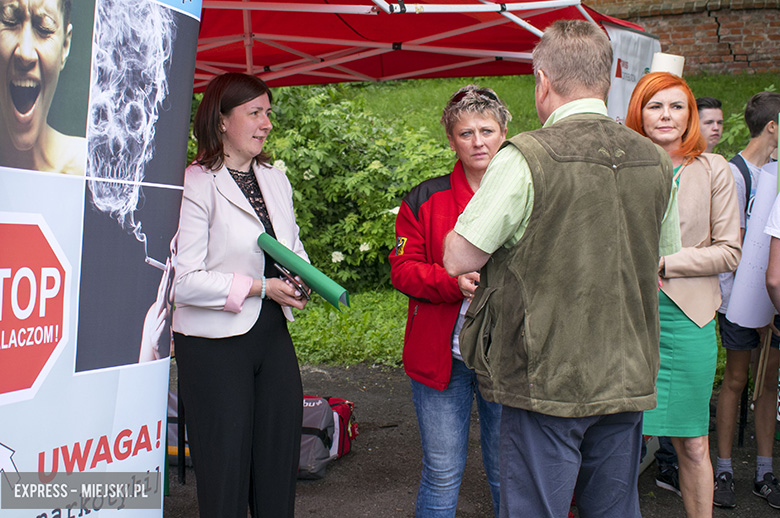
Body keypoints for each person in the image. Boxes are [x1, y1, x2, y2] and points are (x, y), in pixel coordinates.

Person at [442, 20, 681, 517]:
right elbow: (660, 260)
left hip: (545, 375)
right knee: (614, 510)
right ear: (608, 81)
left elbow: (459, 257)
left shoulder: (527, 156)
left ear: (543, 81)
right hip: (626, 370)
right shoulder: (656, 160)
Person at [171, 73, 310, 518]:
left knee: (277, 460)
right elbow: (182, 280)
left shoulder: (275, 178)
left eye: (268, 112)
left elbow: (292, 247)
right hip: (212, 344)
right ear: (221, 120)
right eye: (255, 113)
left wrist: (301, 280)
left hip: (270, 334)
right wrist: (259, 287)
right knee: (225, 470)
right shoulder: (195, 183)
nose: (266, 122)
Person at [389, 84, 511, 517]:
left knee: (507, 471)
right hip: (444, 355)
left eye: (488, 130)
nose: (478, 142)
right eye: (466, 133)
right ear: (451, 139)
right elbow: (402, 269)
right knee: (441, 471)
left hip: (509, 356)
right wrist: (450, 281)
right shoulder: (426, 197)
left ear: (504, 134)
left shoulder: (527, 195)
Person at [625, 72, 741, 517]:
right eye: (655, 105)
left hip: (686, 318)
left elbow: (729, 250)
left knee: (693, 443)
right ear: (639, 111)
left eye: (677, 106)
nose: (667, 115)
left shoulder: (715, 169)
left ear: (690, 115)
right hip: (627, 317)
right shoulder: (622, 165)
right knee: (618, 438)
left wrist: (665, 263)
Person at [713, 91, 780, 510]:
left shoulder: (775, 171)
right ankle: (723, 468)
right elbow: (730, 241)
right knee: (736, 381)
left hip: (770, 300)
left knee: (767, 385)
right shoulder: (735, 174)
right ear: (771, 127)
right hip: (739, 298)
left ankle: (763, 470)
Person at [0, 0, 84, 174]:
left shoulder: (89, 169)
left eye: (44, 28)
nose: (25, 53)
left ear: (65, 46)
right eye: (9, 21)